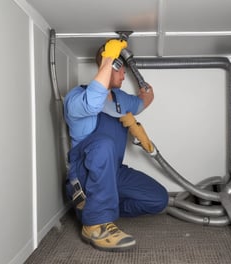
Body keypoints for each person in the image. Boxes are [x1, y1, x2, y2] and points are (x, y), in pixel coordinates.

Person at [63, 39, 168, 252]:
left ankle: (98, 207)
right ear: (110, 67)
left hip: (113, 173)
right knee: (104, 144)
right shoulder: (77, 97)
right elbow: (93, 102)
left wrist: (146, 91)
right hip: (85, 174)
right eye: (121, 71)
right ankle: (94, 224)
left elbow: (142, 101)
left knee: (158, 198)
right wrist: (108, 57)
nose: (124, 75)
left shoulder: (120, 99)